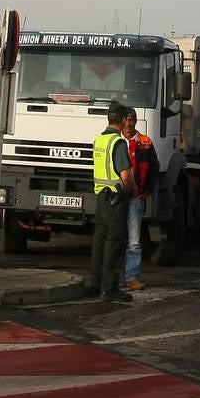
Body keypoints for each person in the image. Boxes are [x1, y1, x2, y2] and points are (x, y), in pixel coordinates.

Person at [87, 103, 135, 303]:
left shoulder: (99, 140)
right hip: (116, 197)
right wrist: (133, 188)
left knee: (99, 241)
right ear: (124, 120)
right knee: (114, 242)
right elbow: (125, 174)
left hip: (101, 197)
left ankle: (94, 283)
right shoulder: (118, 143)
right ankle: (110, 288)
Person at [121, 107, 158, 292]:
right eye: (126, 120)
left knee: (134, 241)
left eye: (132, 120)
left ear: (135, 121)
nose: (129, 124)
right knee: (114, 239)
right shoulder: (115, 140)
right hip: (117, 197)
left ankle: (132, 277)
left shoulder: (145, 142)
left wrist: (148, 190)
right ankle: (110, 277)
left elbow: (154, 167)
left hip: (136, 198)